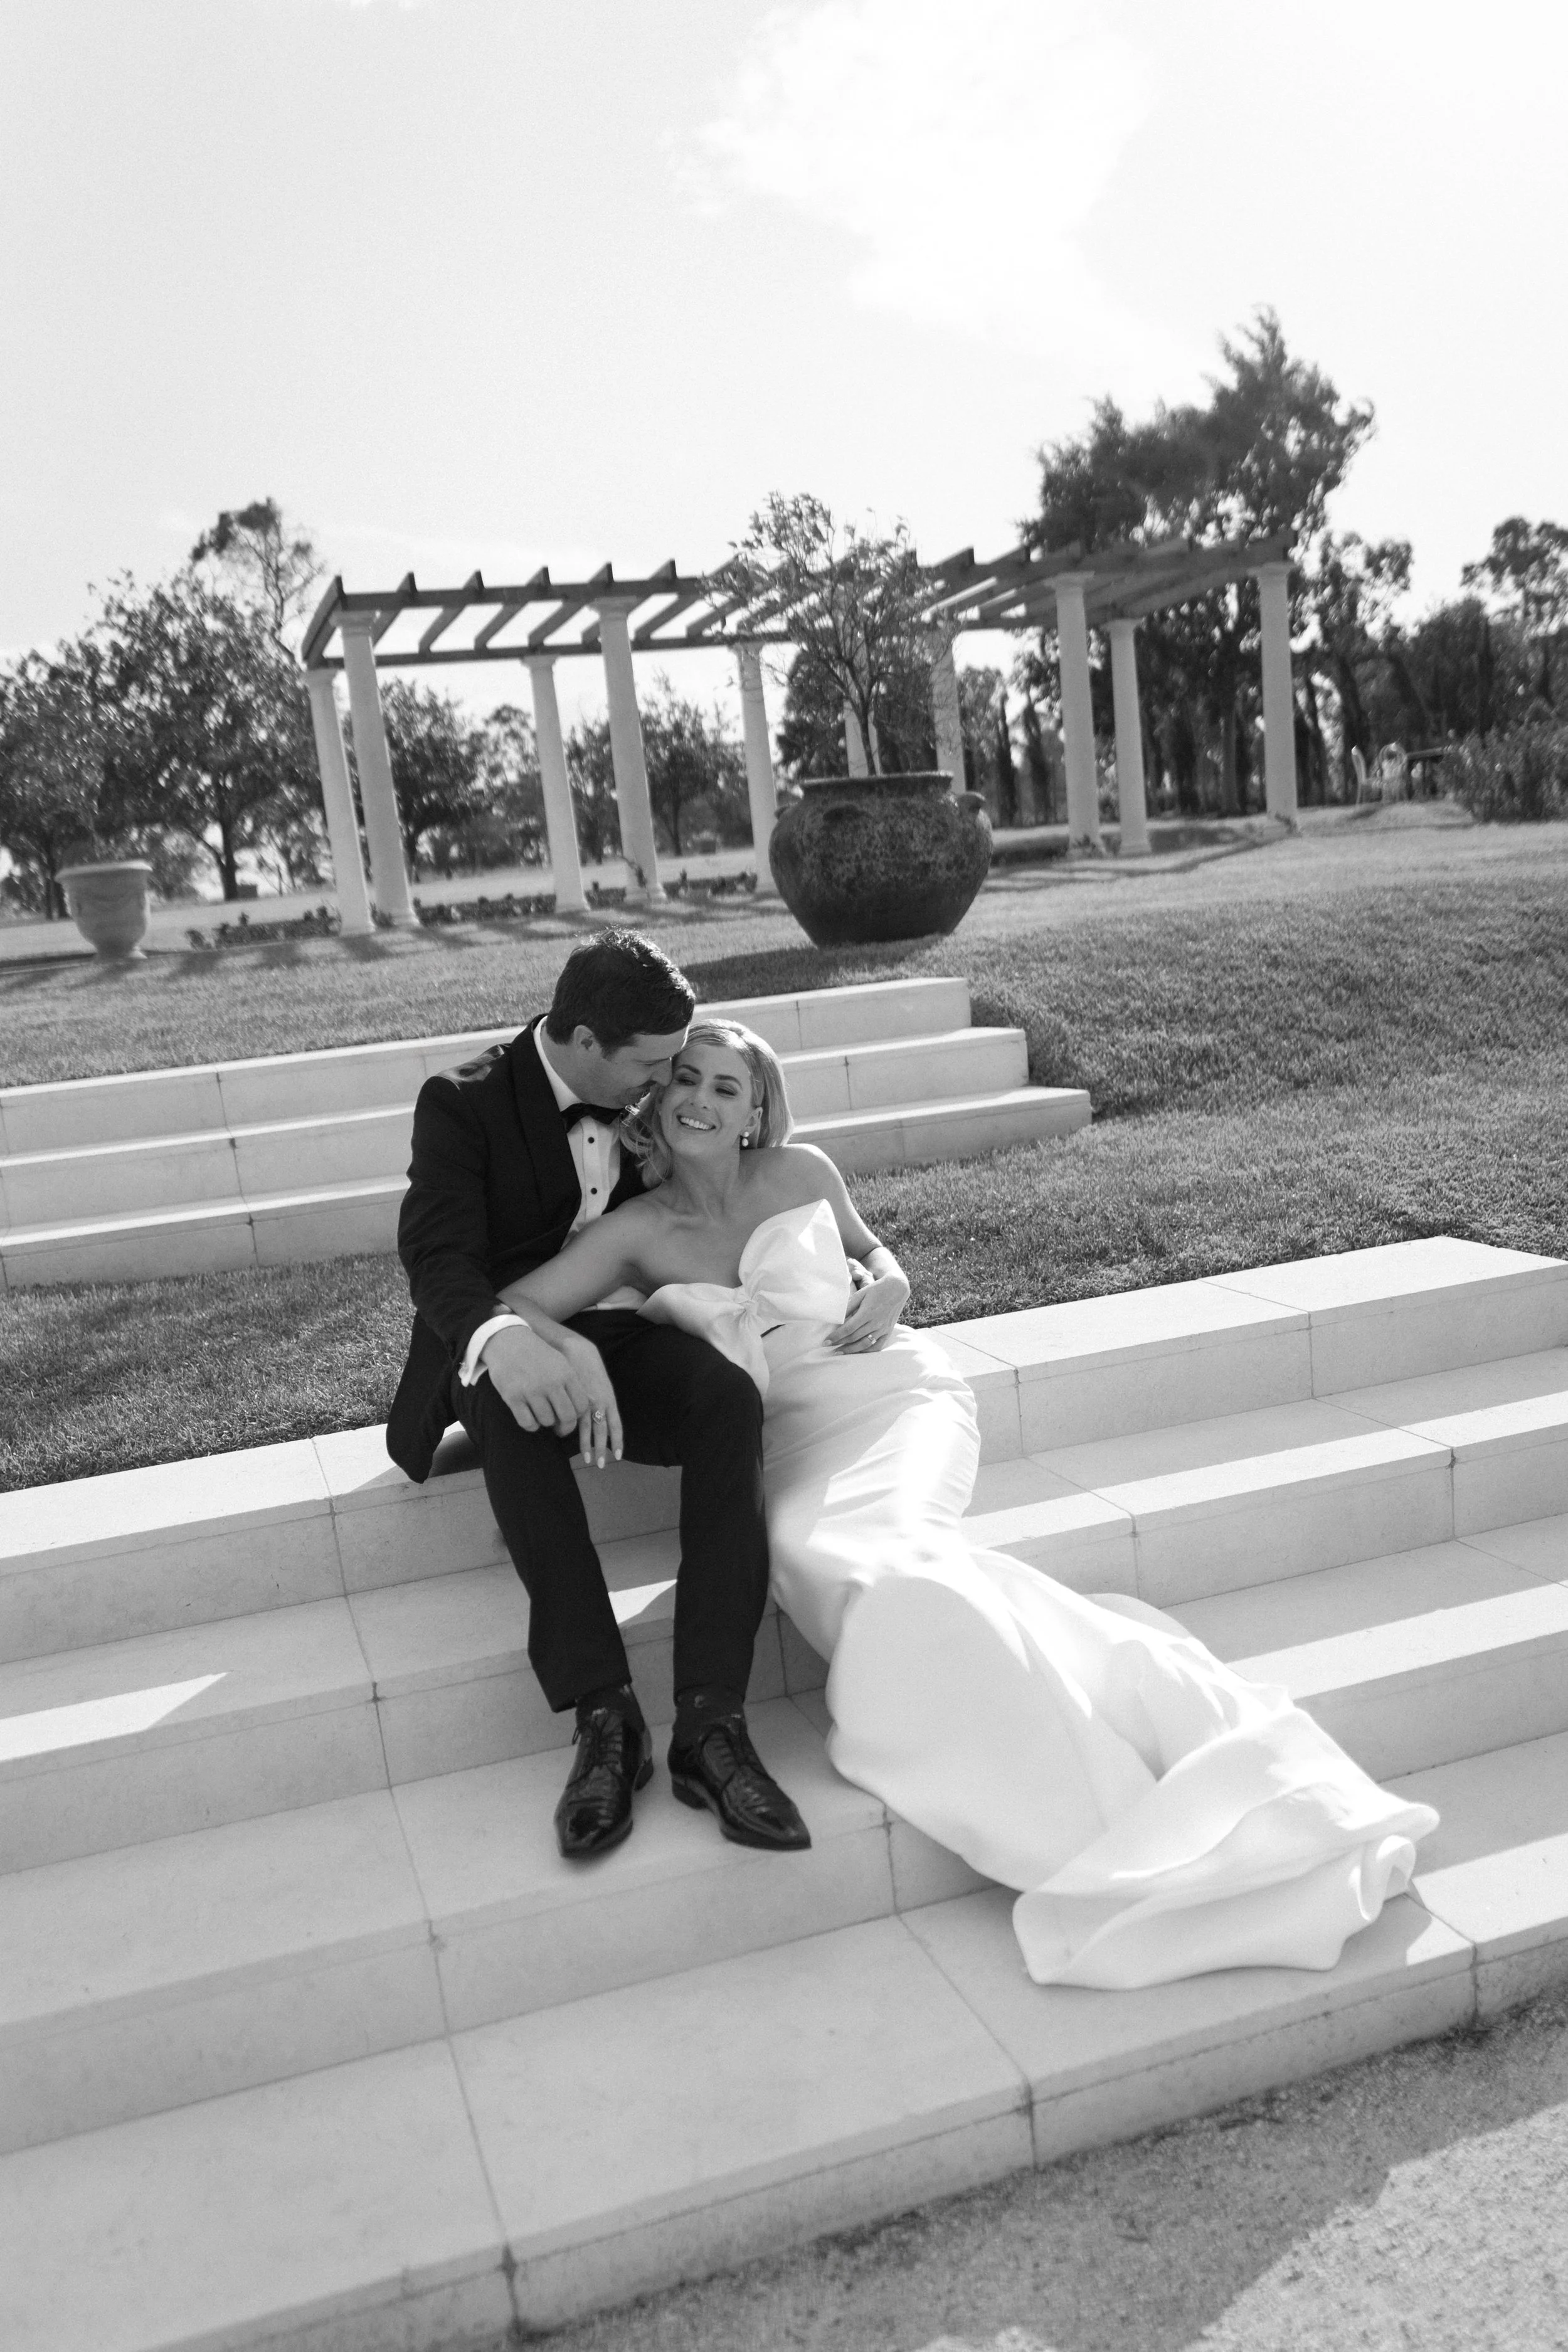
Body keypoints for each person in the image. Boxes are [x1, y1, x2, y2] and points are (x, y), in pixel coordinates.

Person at [504, 1018, 1441, 1989]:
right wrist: (575, 1351)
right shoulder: (636, 1231)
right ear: (658, 1096)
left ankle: (1102, 1774)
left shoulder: (801, 1171)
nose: (700, 1098)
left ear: (755, 1110)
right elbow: (518, 1302)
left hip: (891, 1400)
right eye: (686, 1079)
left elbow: (876, 1252)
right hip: (784, 1443)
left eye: (726, 1086)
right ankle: (1071, 1742)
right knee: (827, 1561)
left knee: (895, 1555)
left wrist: (894, 1284)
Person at [387, 933, 810, 1865]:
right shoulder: (461, 1102)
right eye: (654, 1065)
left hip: (622, 1328)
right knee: (515, 1410)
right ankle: (604, 1717)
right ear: (585, 1040)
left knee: (727, 1398)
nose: (667, 1084)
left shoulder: (642, 1099)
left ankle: (712, 1722)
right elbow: (436, 1257)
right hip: (496, 1330)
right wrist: (521, 1341)